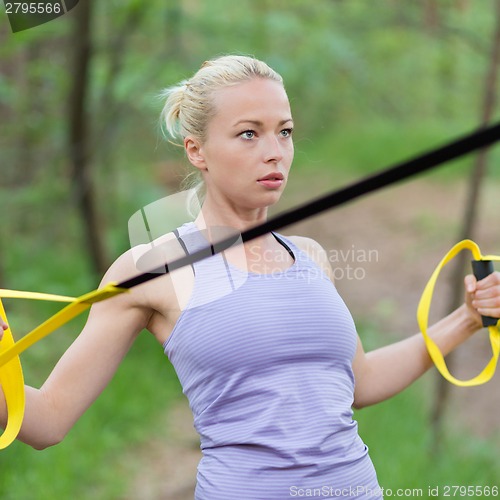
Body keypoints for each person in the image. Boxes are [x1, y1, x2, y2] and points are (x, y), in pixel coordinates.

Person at [1, 55, 500, 499]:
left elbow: (357, 383)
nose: (275, 151)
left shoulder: (309, 257)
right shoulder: (151, 268)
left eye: (284, 131)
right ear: (197, 151)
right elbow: (46, 421)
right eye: (248, 133)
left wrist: (467, 320)